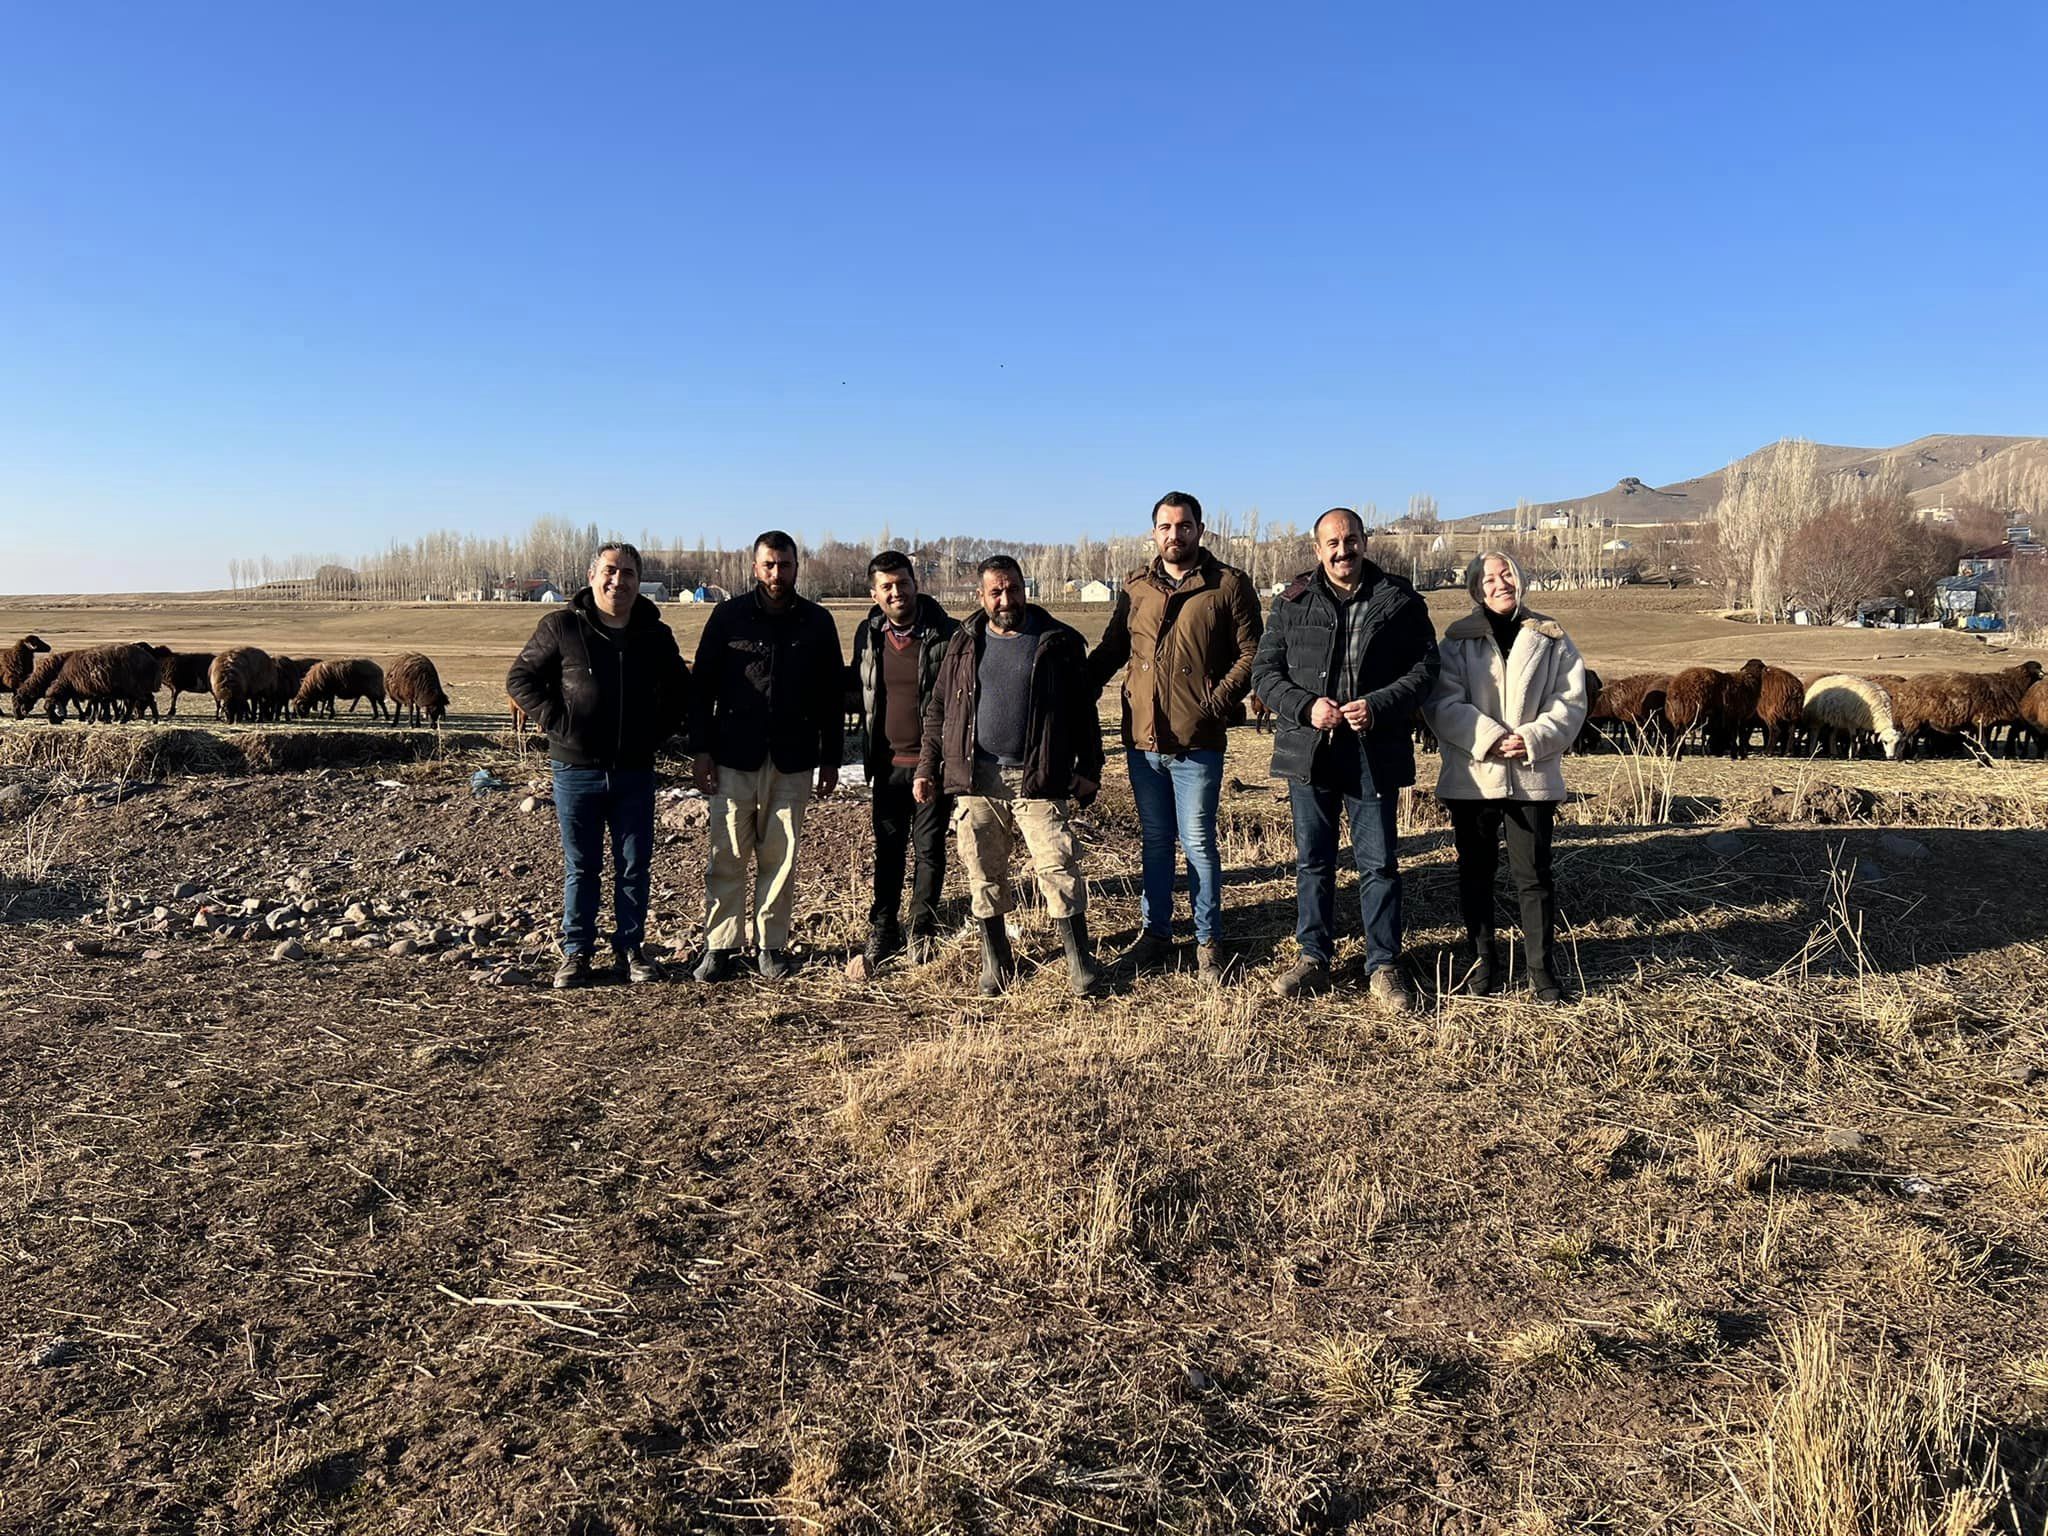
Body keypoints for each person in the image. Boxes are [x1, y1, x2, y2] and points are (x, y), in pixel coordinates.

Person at [1250, 508, 1440, 1008]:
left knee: (1379, 864)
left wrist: (1378, 706)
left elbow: (1425, 670)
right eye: (1332, 543)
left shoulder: (1398, 600)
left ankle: (1384, 964)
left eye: (1350, 540)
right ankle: (1313, 957)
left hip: (1373, 751)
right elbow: (1264, 674)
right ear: (1317, 549)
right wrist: (1306, 707)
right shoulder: (1291, 602)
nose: (1342, 551)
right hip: (1310, 753)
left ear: (1364, 541)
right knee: (1314, 862)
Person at [1086, 491, 1262, 982]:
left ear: (1200, 530)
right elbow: (1113, 648)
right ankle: (1156, 934)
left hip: (1197, 741)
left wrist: (1215, 703)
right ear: (1154, 533)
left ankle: (1208, 940)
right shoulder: (1137, 588)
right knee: (1156, 841)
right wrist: (1074, 687)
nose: (1174, 535)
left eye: (1184, 526)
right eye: (1165, 527)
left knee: (1199, 842)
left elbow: (1253, 652)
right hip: (1143, 740)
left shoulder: (1228, 585)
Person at [916, 555, 1105, 998]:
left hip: (1039, 776)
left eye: (1013, 589)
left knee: (1057, 865)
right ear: (981, 596)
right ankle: (997, 958)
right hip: (977, 778)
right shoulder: (963, 643)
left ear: (1025, 589)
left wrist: (1089, 768)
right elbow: (938, 711)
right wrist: (927, 767)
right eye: (996, 592)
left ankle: (1079, 959)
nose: (1006, 600)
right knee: (982, 870)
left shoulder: (1058, 642)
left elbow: (1083, 711)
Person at [507, 542, 690, 989]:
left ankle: (631, 950)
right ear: (592, 576)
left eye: (628, 573)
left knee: (634, 865)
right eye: (610, 570)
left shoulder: (654, 635)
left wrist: (654, 734)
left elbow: (681, 692)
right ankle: (577, 953)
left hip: (634, 770)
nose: (617, 581)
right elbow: (520, 678)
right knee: (582, 866)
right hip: (576, 770)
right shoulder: (562, 626)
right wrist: (559, 723)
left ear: (638, 581)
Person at [1423, 550, 1588, 1003]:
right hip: (1474, 776)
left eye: (1507, 574)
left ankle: (1540, 970)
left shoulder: (1551, 637)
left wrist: (1533, 738)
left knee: (1533, 874)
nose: (1500, 584)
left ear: (1520, 578)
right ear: (1476, 589)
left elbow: (1570, 702)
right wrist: (1491, 737)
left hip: (1532, 776)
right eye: (1489, 579)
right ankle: (1483, 964)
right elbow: (1442, 702)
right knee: (1475, 872)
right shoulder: (1457, 640)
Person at [689, 531, 845, 980]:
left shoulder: (817, 622)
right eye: (769, 565)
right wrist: (700, 750)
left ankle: (770, 946)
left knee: (781, 856)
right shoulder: (728, 617)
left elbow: (831, 696)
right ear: (755, 567)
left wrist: (830, 757)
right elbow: (702, 688)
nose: (777, 573)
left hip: (793, 758)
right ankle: (721, 944)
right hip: (734, 755)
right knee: (727, 853)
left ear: (797, 567)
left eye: (785, 565)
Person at [846, 550, 960, 977]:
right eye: (887, 586)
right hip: (887, 763)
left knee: (929, 848)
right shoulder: (868, 634)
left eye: (903, 583)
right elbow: (861, 690)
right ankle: (884, 927)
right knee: (888, 849)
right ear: (874, 594)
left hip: (933, 763)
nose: (897, 592)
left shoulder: (947, 634)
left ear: (916, 584)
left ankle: (922, 928)